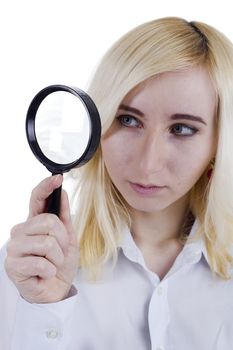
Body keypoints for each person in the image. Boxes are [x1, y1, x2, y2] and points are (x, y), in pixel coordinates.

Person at [1, 16, 233, 350]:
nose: (148, 163)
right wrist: (45, 305)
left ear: (218, 144)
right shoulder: (32, 265)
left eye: (182, 128)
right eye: (128, 120)